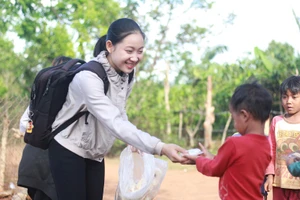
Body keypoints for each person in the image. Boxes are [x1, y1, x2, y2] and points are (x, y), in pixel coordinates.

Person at [27, 18, 189, 200]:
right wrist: (160, 147)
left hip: (96, 154)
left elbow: (119, 112)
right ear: (110, 46)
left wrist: (134, 141)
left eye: (140, 51)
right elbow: (113, 120)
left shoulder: (127, 74)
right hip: (68, 149)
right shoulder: (88, 78)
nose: (135, 58)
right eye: (129, 51)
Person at [182, 82, 272, 200]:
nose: (234, 124)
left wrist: (198, 160)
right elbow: (238, 165)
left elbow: (214, 168)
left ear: (244, 115)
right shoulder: (266, 144)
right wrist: (212, 157)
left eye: (234, 118)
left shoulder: (234, 143)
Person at [18, 56, 72, 200]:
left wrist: (35, 132)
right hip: (53, 165)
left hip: (32, 161)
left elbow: (24, 124)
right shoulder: (72, 100)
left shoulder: (42, 98)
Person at [264, 75, 300, 199]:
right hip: (280, 183)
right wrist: (269, 175)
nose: (288, 101)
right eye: (285, 97)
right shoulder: (276, 122)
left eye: (294, 97)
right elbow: (270, 150)